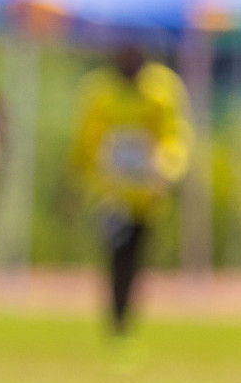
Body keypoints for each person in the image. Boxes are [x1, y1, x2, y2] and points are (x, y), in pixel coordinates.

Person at [68, 44, 191, 337]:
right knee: (116, 252)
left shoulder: (163, 88)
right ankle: (117, 319)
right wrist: (76, 180)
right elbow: (85, 140)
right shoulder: (99, 89)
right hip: (110, 195)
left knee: (135, 258)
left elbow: (176, 136)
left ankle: (125, 316)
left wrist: (166, 168)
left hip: (147, 197)